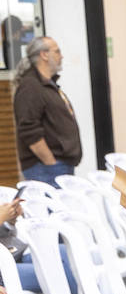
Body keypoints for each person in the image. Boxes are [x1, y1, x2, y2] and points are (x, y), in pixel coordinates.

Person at [13, 37, 82, 185]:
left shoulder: (46, 85)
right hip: (46, 169)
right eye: (57, 51)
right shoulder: (31, 87)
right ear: (44, 55)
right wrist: (50, 162)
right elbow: (29, 130)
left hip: (57, 167)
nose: (61, 56)